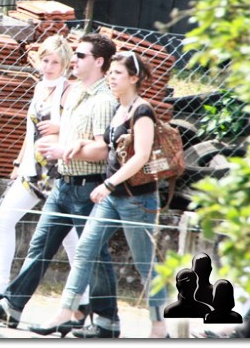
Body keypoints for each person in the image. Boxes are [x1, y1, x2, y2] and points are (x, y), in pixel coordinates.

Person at [0, 33, 119, 336]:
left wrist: (64, 149)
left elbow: (103, 150)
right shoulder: (78, 93)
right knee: (40, 247)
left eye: (80, 55)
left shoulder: (103, 100)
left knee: (91, 253)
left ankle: (105, 319)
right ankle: (11, 306)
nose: (74, 59)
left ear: (98, 62)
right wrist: (44, 147)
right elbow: (60, 131)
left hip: (84, 187)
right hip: (62, 183)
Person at [37, 51, 172, 338]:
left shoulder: (142, 111)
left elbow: (141, 157)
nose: (111, 78)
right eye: (109, 73)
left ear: (134, 78)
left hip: (137, 199)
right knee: (85, 250)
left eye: (118, 73)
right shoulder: (118, 108)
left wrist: (108, 184)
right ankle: (65, 312)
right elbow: (110, 147)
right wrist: (80, 142)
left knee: (146, 264)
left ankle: (159, 326)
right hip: (112, 197)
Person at [0, 35, 90, 321]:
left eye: (55, 62)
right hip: (34, 170)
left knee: (70, 240)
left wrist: (60, 127)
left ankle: (85, 300)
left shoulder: (70, 90)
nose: (49, 66)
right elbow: (31, 130)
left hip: (58, 171)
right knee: (3, 217)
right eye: (45, 60)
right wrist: (19, 162)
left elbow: (80, 127)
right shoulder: (39, 87)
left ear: (66, 64)